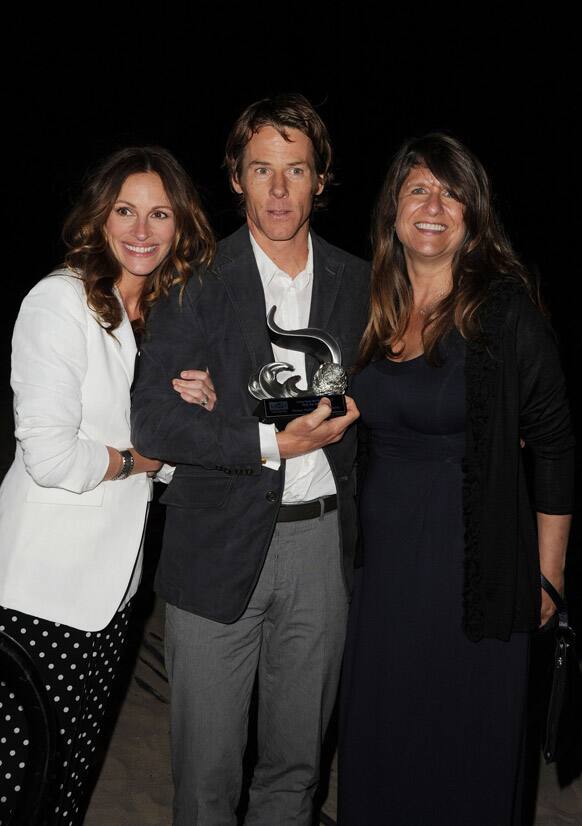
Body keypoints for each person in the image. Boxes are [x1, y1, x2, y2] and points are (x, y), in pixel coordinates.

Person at [131, 93, 370, 825]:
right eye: (260, 169)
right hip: (215, 546)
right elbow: (153, 420)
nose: (277, 190)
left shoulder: (357, 282)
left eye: (294, 170)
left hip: (321, 546)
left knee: (295, 772)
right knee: (206, 780)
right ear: (235, 177)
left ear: (319, 179)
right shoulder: (194, 277)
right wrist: (267, 439)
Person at [337, 132, 575, 825]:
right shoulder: (366, 306)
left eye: (451, 191)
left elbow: (556, 446)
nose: (434, 204)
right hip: (382, 579)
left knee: (463, 751)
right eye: (418, 189)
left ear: (473, 213)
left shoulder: (505, 314)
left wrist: (550, 579)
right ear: (393, 212)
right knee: (385, 742)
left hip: (479, 572)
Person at [0, 145, 215, 825]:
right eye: (126, 210)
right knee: (17, 786)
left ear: (181, 227)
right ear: (99, 217)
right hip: (37, 595)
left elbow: (171, 464)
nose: (142, 229)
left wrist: (193, 414)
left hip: (113, 596)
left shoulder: (164, 323)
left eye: (160, 213)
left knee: (67, 785)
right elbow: (50, 455)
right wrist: (138, 459)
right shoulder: (58, 302)